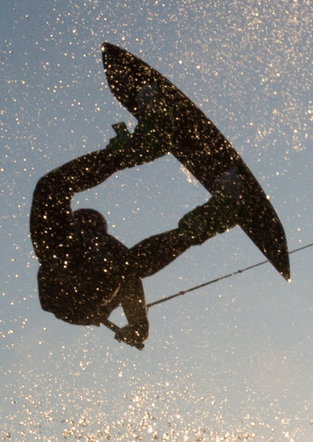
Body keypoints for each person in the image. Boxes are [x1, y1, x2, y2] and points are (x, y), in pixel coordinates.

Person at [32, 101, 246, 349]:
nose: (87, 227)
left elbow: (128, 274)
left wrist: (137, 323)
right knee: (51, 191)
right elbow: (128, 273)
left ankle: (212, 216)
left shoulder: (80, 249)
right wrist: (136, 323)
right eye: (83, 222)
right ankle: (211, 214)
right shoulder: (79, 245)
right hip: (73, 283)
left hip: (76, 285)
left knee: (51, 190)